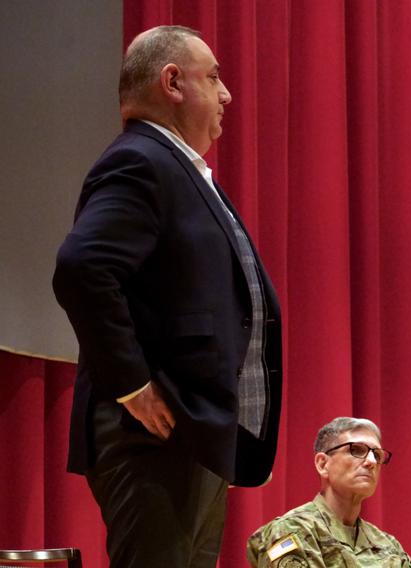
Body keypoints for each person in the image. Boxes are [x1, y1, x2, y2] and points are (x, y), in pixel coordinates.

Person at [52, 25, 282, 567]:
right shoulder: (140, 161)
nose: (227, 95)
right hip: (151, 437)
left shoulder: (182, 170)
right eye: (215, 77)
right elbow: (81, 268)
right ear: (172, 82)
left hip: (188, 436)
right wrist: (131, 384)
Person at [247, 417, 411, 567]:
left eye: (377, 455)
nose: (371, 461)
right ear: (322, 464)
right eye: (357, 450)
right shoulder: (291, 530)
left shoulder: (388, 545)